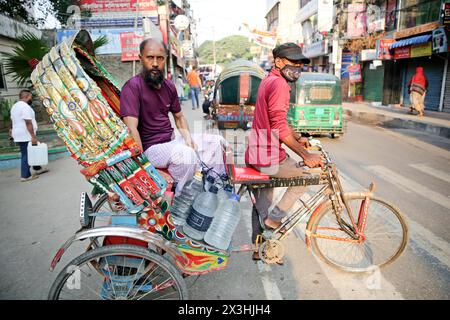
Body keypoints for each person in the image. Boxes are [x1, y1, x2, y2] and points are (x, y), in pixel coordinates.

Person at [245, 43, 324, 261]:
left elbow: (276, 120)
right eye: (294, 62)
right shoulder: (279, 84)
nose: (298, 67)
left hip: (257, 152)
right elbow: (279, 127)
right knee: (306, 177)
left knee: (262, 202)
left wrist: (297, 136)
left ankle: (259, 249)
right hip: (268, 155)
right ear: (278, 62)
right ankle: (274, 220)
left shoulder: (269, 80)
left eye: (301, 63)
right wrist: (306, 155)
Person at [120, 39, 227, 195]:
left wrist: (188, 139)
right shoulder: (133, 87)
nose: (155, 63)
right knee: (186, 155)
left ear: (165, 59)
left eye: (160, 58)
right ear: (140, 58)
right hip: (151, 148)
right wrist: (141, 163)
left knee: (217, 142)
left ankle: (213, 191)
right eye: (150, 58)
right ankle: (181, 198)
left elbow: (179, 117)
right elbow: (131, 128)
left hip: (171, 140)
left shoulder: (169, 86)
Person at [10, 89, 49, 182]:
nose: (31, 99)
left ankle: (37, 168)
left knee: (31, 150)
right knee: (26, 154)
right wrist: (33, 136)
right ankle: (25, 176)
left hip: (19, 133)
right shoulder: (25, 107)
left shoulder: (15, 106)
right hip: (25, 134)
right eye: (30, 97)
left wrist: (11, 130)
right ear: (26, 97)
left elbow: (12, 120)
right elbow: (28, 122)